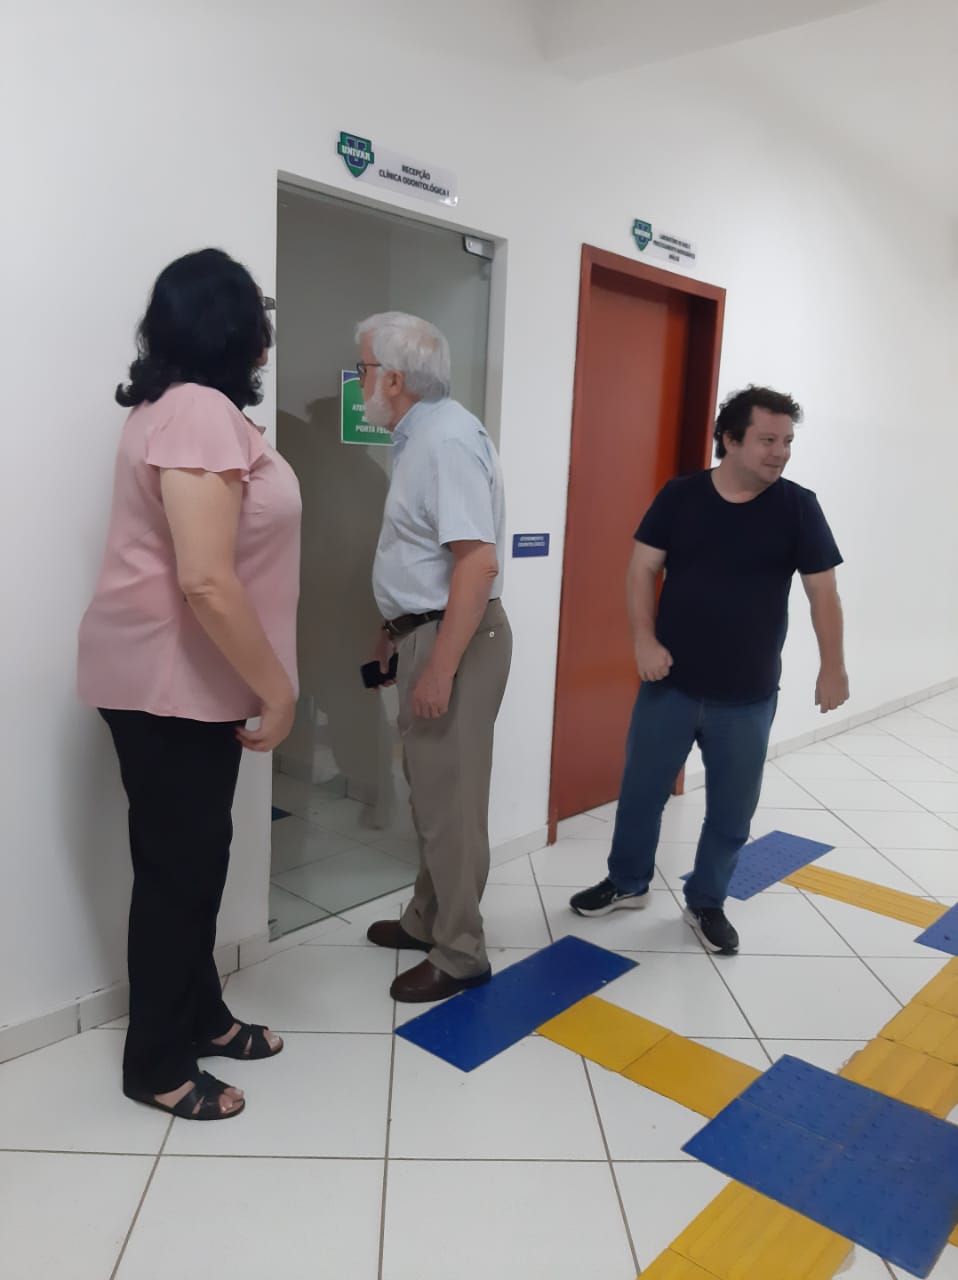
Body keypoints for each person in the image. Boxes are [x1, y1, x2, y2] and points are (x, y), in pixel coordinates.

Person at [77, 248, 302, 1119]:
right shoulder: (200, 412)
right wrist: (277, 690)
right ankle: (157, 1063)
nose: (266, 332)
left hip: (179, 681)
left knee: (194, 862)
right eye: (258, 314)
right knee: (180, 873)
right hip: (169, 683)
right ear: (231, 325)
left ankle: (202, 1017)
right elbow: (205, 580)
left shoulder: (174, 408)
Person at [570, 386, 848, 954]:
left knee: (730, 811)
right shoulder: (681, 497)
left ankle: (707, 901)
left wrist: (833, 667)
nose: (780, 452)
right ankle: (628, 882)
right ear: (730, 439)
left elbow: (823, 592)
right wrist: (644, 640)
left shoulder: (798, 507)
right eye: (768, 440)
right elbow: (642, 569)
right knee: (641, 796)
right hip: (669, 684)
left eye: (787, 441)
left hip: (747, 695)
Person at [357, 312, 512, 1002]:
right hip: (427, 631)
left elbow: (476, 564)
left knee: (451, 805)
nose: (358, 381)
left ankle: (460, 952)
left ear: (393, 379)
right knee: (431, 793)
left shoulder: (444, 441)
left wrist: (441, 667)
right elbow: (422, 556)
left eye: (362, 369)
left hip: (457, 641)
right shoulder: (422, 436)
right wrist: (392, 632)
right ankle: (427, 919)